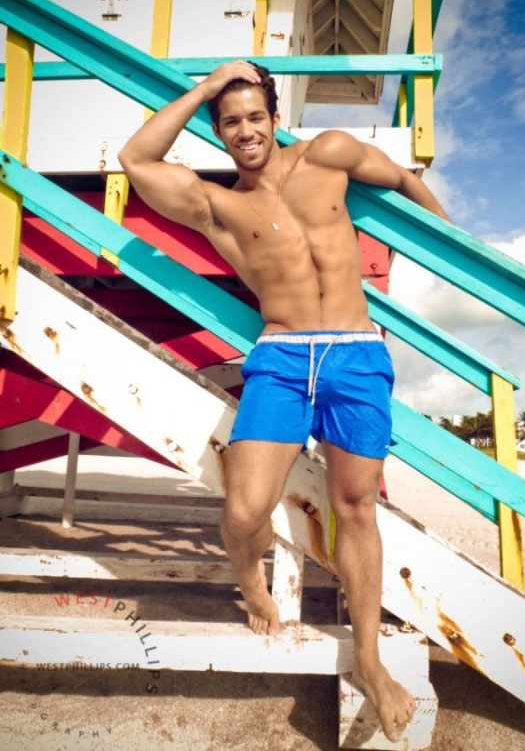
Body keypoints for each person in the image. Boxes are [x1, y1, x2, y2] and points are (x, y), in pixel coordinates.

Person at [118, 60, 450, 742]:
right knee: (244, 509)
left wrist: (452, 244)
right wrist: (206, 87)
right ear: (219, 131)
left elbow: (402, 178)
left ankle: (369, 660)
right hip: (281, 357)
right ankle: (252, 584)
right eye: (230, 122)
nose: (245, 131)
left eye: (254, 117)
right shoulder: (218, 205)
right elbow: (136, 159)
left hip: (356, 354)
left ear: (275, 117)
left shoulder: (328, 153)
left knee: (355, 507)